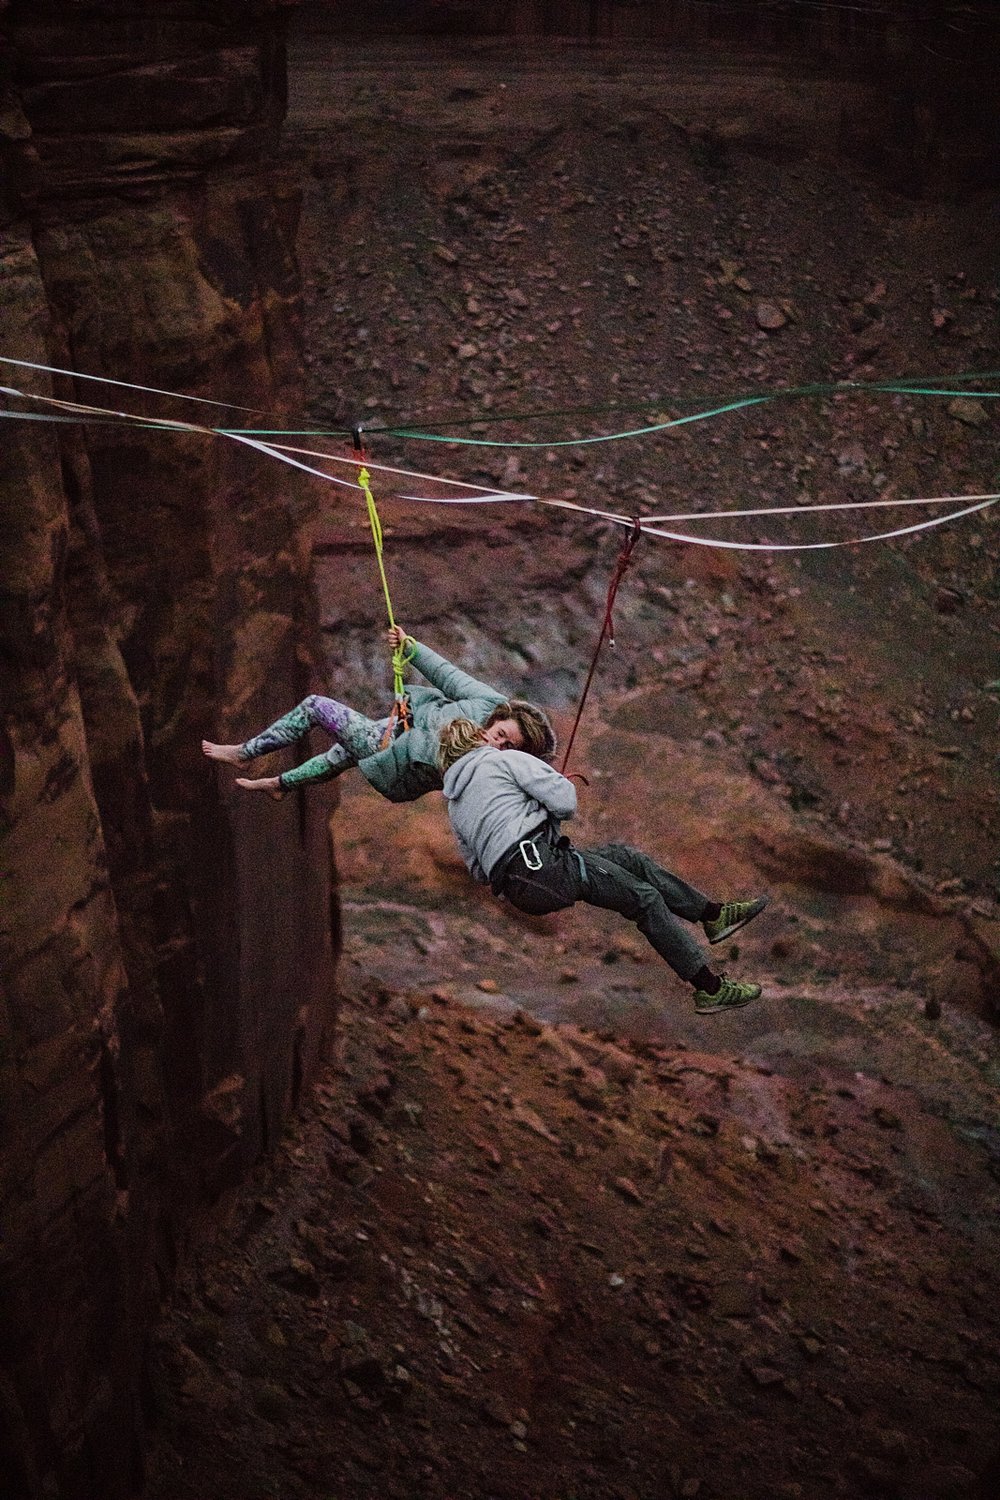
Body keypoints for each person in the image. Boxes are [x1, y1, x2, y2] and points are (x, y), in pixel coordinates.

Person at [439, 718, 768, 1015]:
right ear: (478, 739)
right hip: (544, 867)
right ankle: (711, 989)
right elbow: (565, 803)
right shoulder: (502, 759)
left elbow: (480, 873)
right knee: (645, 899)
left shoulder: (454, 806)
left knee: (626, 858)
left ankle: (713, 915)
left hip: (525, 883)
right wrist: (549, 791)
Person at [202, 626, 556, 803]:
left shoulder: (483, 766)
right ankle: (281, 785)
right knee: (339, 754)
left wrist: (412, 722)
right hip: (395, 733)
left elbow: (435, 758)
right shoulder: (488, 702)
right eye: (500, 732)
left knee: (315, 706)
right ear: (498, 718)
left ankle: (245, 754)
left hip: (393, 760)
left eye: (507, 745)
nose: (496, 741)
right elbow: (448, 674)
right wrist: (410, 647)